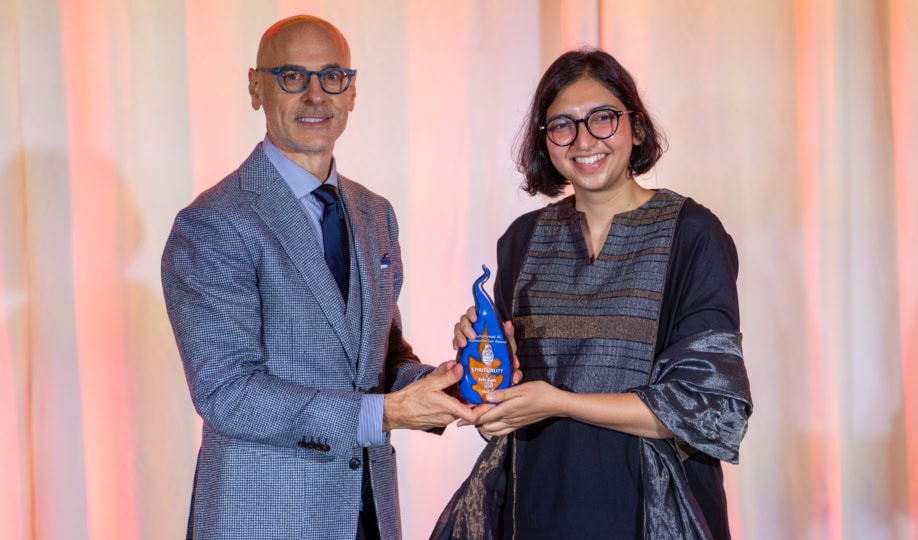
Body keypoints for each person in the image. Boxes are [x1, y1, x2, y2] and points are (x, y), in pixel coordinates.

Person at [161, 15, 476, 540]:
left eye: (332, 77)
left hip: (368, 514)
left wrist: (448, 383)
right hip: (262, 519)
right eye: (292, 76)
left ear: (351, 92)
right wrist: (387, 413)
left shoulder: (376, 213)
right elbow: (229, 394)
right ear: (255, 87)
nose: (315, 95)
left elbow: (381, 357)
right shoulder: (212, 222)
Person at [433, 49, 753, 540]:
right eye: (563, 125)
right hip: (536, 500)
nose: (584, 140)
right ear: (546, 142)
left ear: (637, 127)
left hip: (650, 508)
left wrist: (559, 402)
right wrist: (480, 363)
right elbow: (502, 401)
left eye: (602, 119)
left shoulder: (692, 233)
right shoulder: (522, 238)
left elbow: (707, 406)